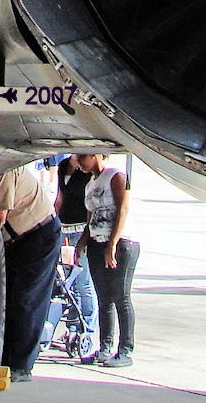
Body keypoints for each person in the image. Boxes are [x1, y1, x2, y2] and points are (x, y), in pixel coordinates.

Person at [0, 164, 60, 384]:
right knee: (4, 300)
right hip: (12, 241)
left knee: (26, 300)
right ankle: (3, 359)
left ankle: (21, 365)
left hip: (38, 234)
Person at [76, 152, 137, 367]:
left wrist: (113, 243)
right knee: (103, 297)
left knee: (120, 296)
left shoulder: (115, 176)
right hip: (97, 241)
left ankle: (125, 350)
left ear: (96, 155)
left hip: (120, 243)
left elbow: (123, 208)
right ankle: (105, 347)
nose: (79, 161)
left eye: (83, 156)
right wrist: (83, 242)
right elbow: (90, 217)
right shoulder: (90, 185)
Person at [43, 154, 98, 362]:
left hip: (80, 228)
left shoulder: (88, 173)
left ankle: (88, 328)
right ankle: (73, 327)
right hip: (64, 228)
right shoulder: (65, 165)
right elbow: (60, 196)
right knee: (68, 283)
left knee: (83, 282)